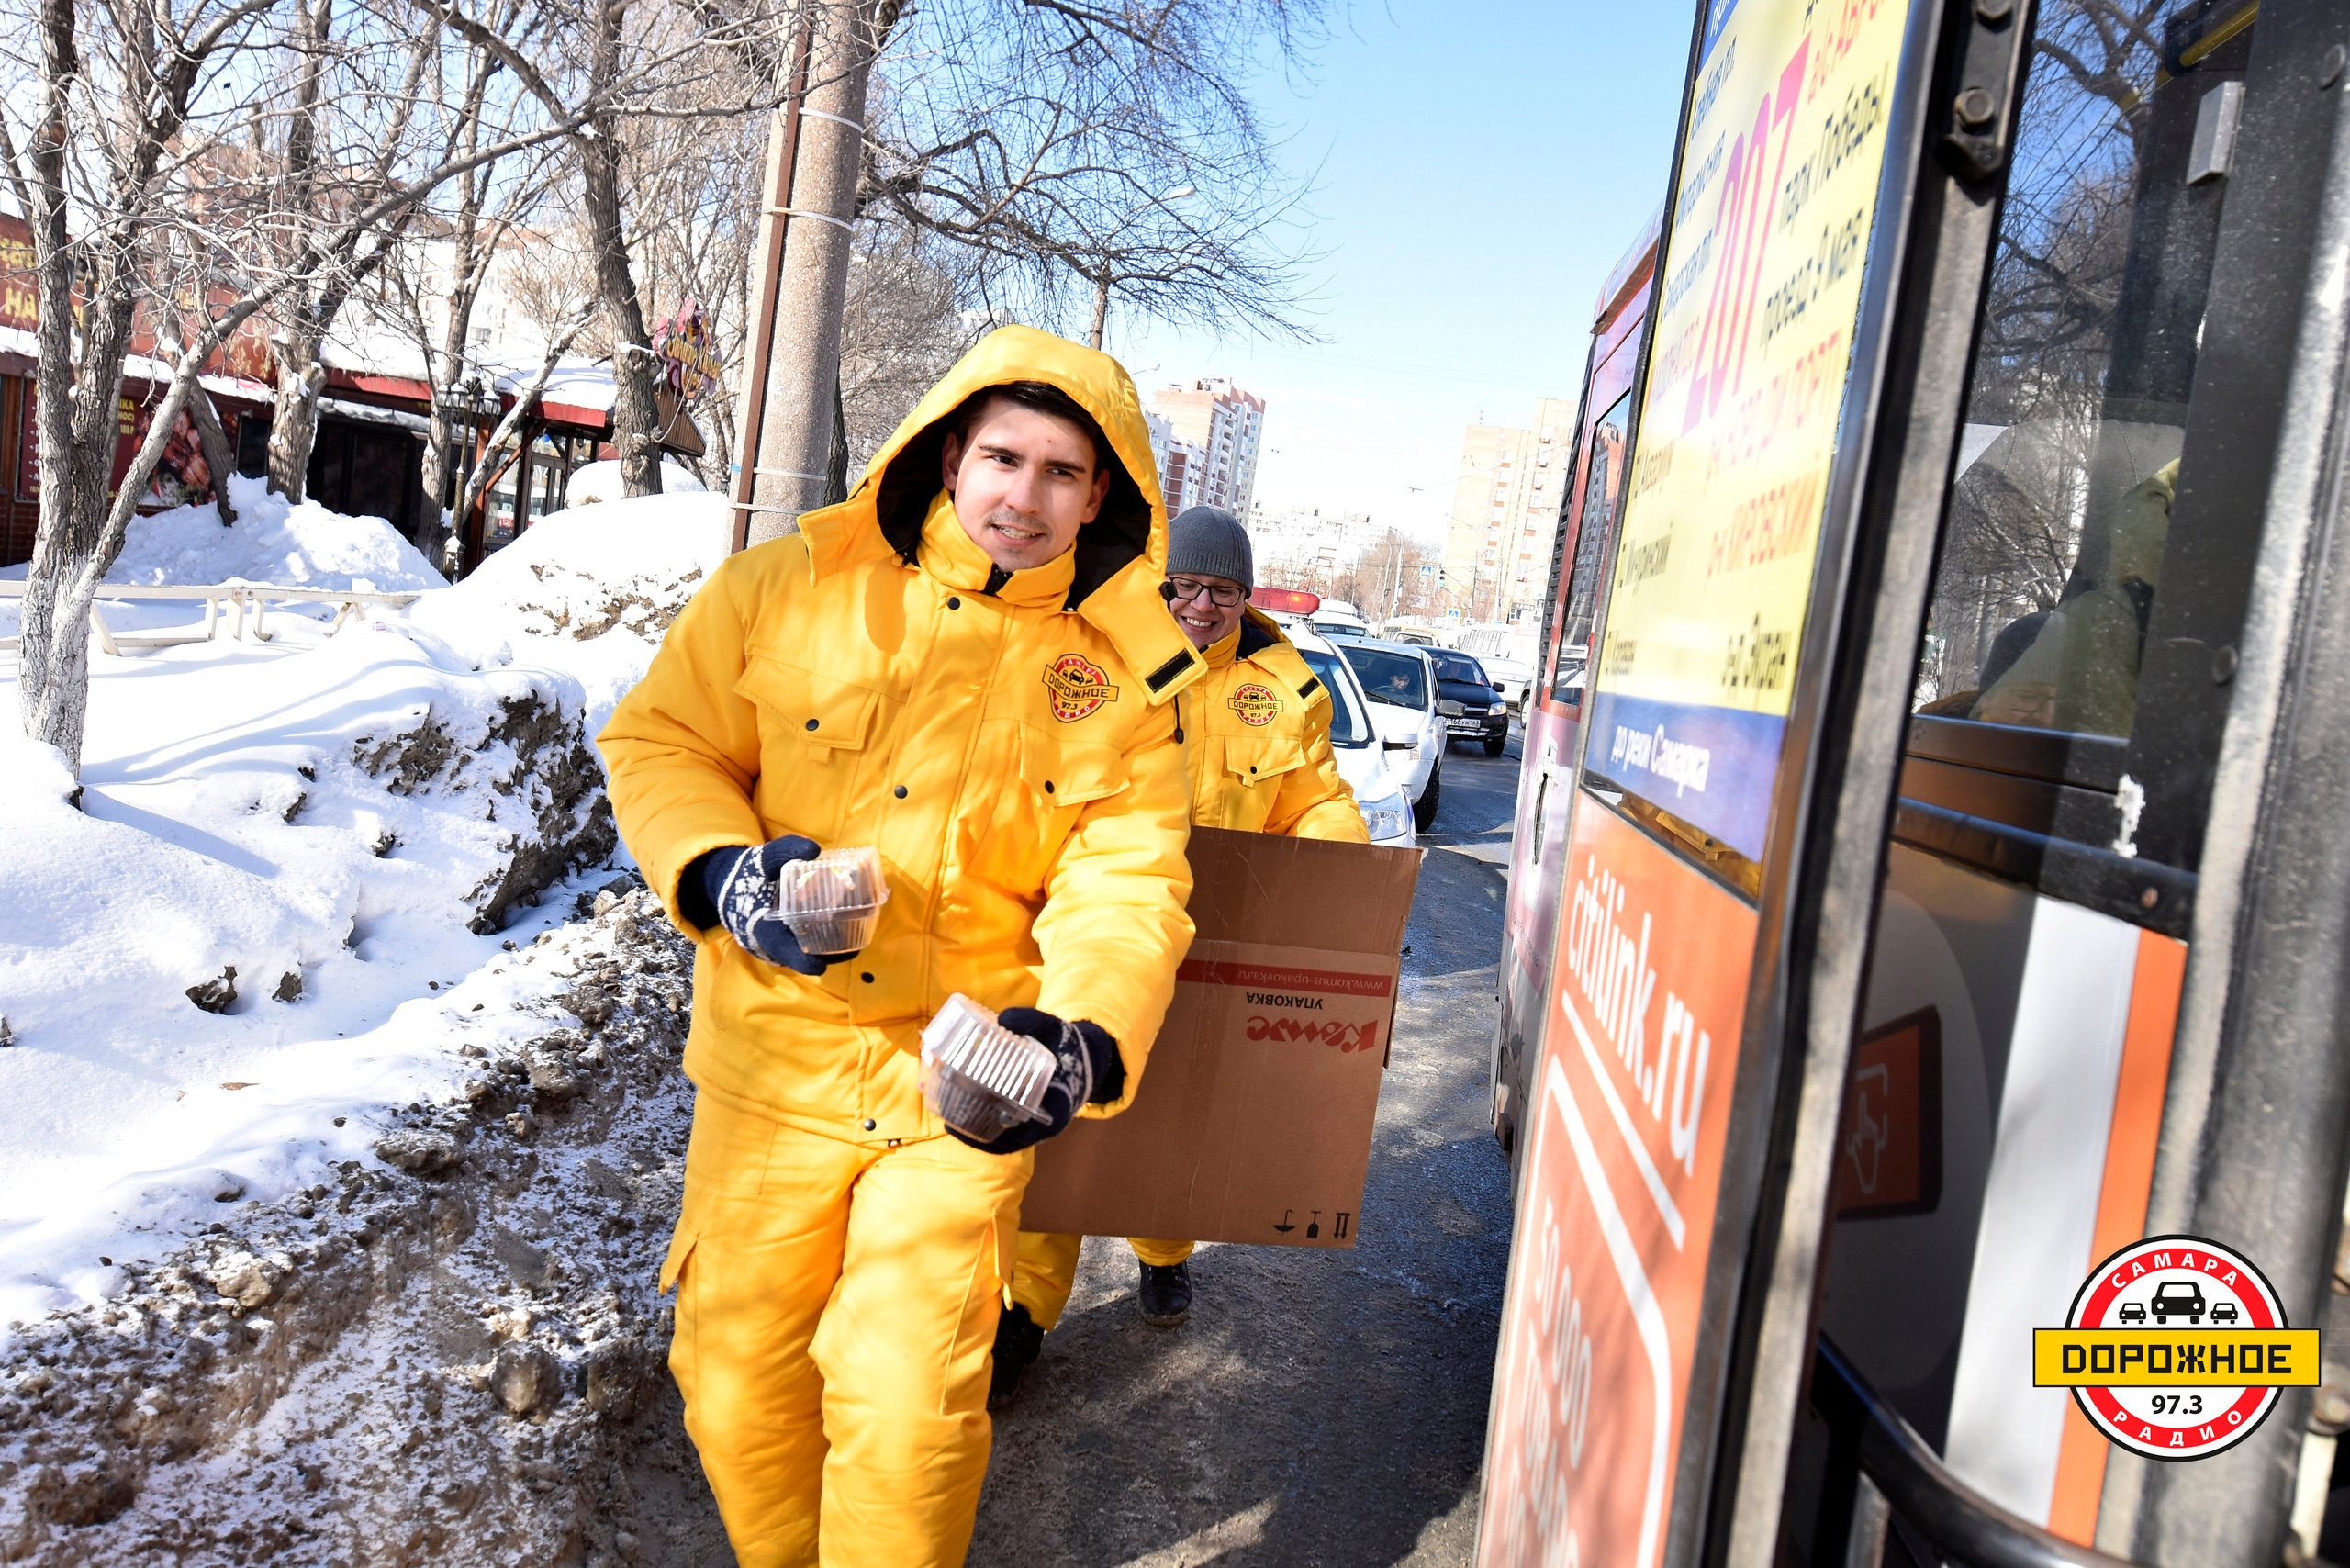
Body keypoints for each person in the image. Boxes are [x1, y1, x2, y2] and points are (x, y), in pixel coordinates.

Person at [598, 324, 1207, 1568]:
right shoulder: (790, 586)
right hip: (773, 1071)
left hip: (955, 1101)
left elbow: (1129, 883)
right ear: (946, 457)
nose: (1023, 497)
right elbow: (663, 742)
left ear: (1101, 496)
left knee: (907, 1413)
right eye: (1002, 459)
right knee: (734, 1388)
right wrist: (725, 874)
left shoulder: (1127, 683)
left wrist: (1082, 1040)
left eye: (1060, 472)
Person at [992, 504, 1367, 1406]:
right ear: (1160, 587)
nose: (1201, 605)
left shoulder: (1285, 690)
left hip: (1210, 943)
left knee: (1174, 1120)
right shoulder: (1100, 659)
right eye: (1185, 586)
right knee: (1067, 1111)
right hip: (1092, 932)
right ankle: (1023, 1309)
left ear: (1246, 596)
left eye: (1222, 590)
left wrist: (1343, 867)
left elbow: (1313, 801)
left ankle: (1162, 1254)